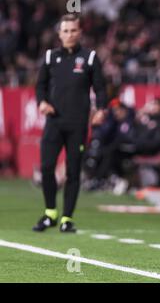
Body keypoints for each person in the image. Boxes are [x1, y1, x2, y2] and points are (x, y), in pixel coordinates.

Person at [33, 14, 107, 233]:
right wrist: (42, 102)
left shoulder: (90, 57)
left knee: (73, 172)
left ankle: (67, 218)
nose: (69, 34)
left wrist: (101, 109)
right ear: (59, 34)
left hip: (78, 124)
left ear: (80, 32)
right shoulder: (49, 57)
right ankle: (50, 213)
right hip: (54, 122)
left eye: (73, 30)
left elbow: (101, 88)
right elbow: (40, 86)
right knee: (47, 167)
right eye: (65, 31)